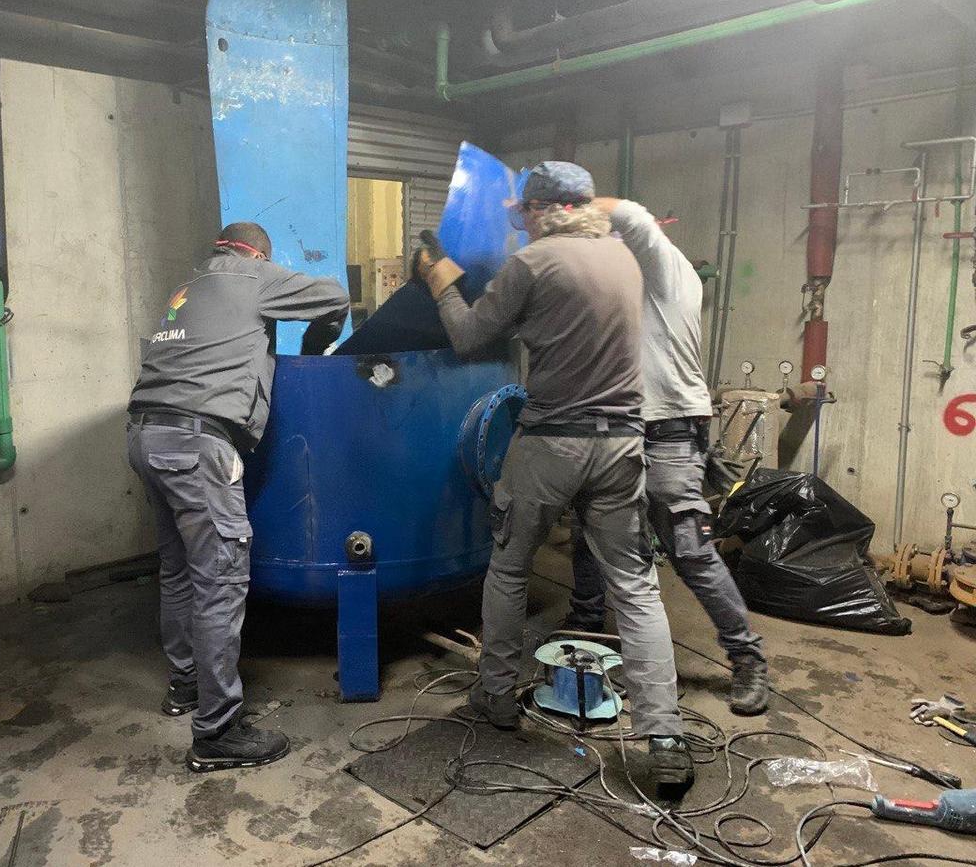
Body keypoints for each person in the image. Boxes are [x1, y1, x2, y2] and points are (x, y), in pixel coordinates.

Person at [414, 162, 694, 789]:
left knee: (510, 568)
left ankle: (496, 697)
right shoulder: (625, 258)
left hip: (549, 444)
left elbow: (466, 335)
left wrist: (437, 280)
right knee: (637, 586)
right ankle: (665, 734)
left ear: (540, 210)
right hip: (623, 444)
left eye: (524, 214)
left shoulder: (534, 264)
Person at [127, 221, 350, 772]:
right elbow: (335, 294)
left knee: (178, 571)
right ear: (256, 254)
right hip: (197, 442)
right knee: (221, 578)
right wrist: (322, 338)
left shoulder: (190, 286)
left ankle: (185, 685)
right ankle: (218, 731)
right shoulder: (253, 275)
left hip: (146, 435)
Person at [566, 197, 770, 717]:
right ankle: (584, 633)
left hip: (669, 429)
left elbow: (630, 218)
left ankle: (747, 658)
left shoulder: (667, 268)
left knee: (690, 550)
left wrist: (566, 204)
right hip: (615, 428)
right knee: (591, 536)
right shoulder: (624, 288)